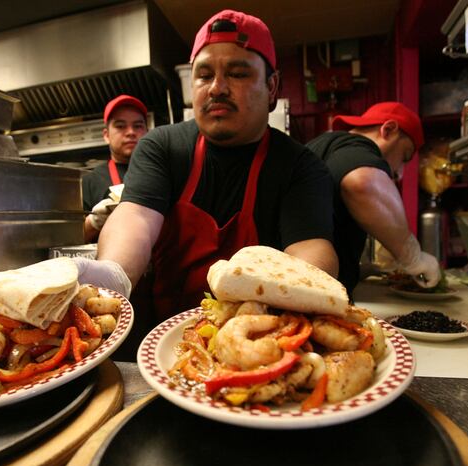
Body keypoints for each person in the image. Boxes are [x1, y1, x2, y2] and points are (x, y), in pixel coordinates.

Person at [79, 9, 338, 327]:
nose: (217, 88)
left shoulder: (299, 166)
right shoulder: (163, 146)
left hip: (261, 332)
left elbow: (310, 250)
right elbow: (136, 217)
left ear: (272, 88)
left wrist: (295, 311)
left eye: (238, 73)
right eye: (203, 75)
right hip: (164, 334)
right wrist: (114, 275)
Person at [306, 102, 441, 294]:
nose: (400, 172)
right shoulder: (356, 146)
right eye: (404, 156)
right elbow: (361, 183)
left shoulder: (325, 146)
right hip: (316, 299)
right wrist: (413, 256)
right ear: (388, 130)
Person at [82, 95, 149, 243]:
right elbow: (72, 239)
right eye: (120, 126)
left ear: (147, 131)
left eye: (138, 126)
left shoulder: (161, 174)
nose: (131, 132)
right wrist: (94, 221)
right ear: (106, 135)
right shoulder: (90, 181)